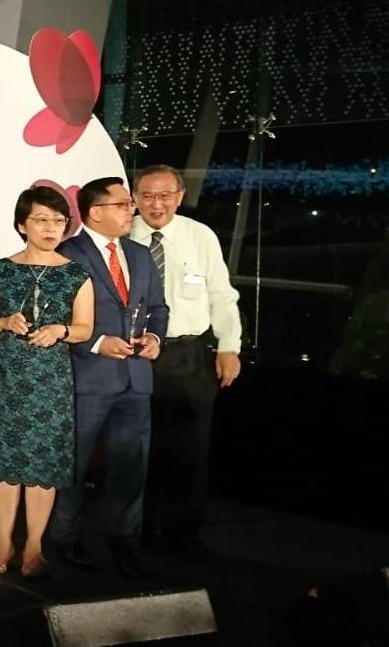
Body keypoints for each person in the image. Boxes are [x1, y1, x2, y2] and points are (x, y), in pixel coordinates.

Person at [0, 187, 94, 578]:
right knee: (5, 464)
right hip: (6, 376)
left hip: (50, 380)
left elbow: (85, 328)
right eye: (41, 220)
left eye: (59, 221)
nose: (51, 228)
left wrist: (60, 330)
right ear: (22, 224)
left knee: (43, 464)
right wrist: (5, 322)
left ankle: (35, 546)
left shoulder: (77, 274)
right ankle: (4, 541)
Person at [50, 176, 168, 578]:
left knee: (130, 466)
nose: (131, 211)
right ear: (96, 212)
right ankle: (64, 539)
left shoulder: (139, 254)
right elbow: (55, 316)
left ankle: (124, 540)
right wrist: (97, 343)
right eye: (123, 204)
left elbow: (157, 307)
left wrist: (154, 337)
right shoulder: (67, 254)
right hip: (86, 379)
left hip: (136, 379)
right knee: (73, 468)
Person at [131, 164, 242, 560]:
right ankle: (137, 532)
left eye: (164, 196)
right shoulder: (122, 237)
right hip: (135, 353)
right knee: (139, 447)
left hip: (189, 354)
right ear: (135, 198)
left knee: (190, 450)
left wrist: (229, 346)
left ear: (179, 196)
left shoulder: (200, 236)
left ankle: (182, 535)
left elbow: (222, 295)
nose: (155, 204)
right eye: (147, 196)